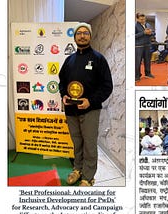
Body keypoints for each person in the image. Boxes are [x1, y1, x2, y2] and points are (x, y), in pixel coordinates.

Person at [59, 22, 113, 186]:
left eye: (85, 33)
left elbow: (107, 86)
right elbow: (62, 82)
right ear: (75, 37)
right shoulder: (69, 60)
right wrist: (63, 95)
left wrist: (90, 101)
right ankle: (78, 169)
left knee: (89, 143)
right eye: (79, 33)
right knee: (77, 142)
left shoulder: (98, 59)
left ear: (90, 36)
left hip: (90, 110)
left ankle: (88, 177)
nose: (82, 35)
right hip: (70, 110)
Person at [135, 13, 155, 82]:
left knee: (147, 61)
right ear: (137, 19)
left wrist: (150, 33)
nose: (143, 20)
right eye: (141, 19)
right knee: (137, 62)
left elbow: (154, 33)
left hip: (147, 45)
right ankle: (137, 76)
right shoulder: (134, 25)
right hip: (138, 46)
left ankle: (148, 73)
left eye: (144, 19)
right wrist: (144, 32)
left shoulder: (148, 24)